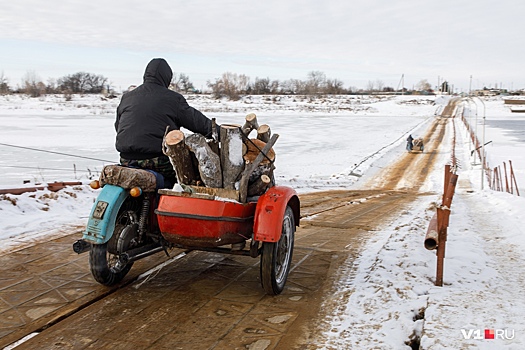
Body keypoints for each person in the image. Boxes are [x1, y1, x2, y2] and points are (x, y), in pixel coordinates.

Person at [115, 58, 214, 187]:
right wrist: (218, 132)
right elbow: (197, 122)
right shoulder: (173, 99)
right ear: (166, 78)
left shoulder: (127, 97)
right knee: (191, 177)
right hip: (158, 159)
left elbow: (118, 126)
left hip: (126, 159)